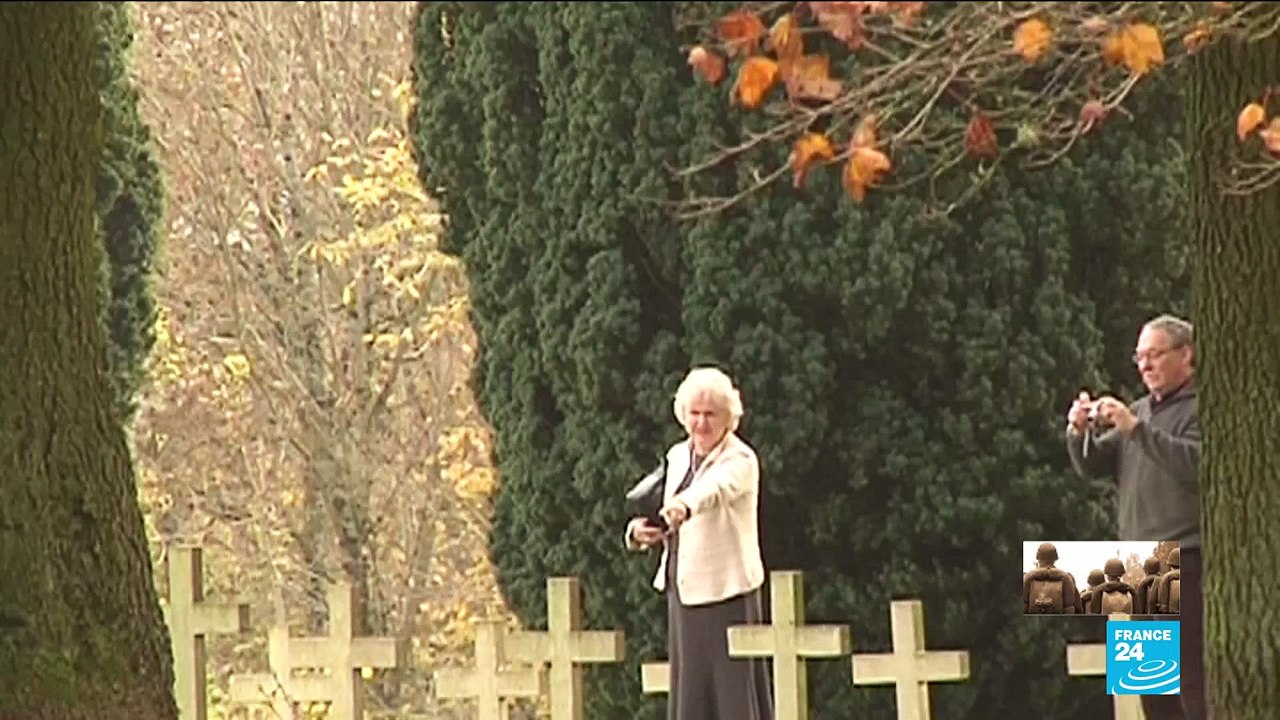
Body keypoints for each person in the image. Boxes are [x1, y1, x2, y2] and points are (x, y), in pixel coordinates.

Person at [1065, 314, 1203, 720]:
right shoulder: (1140, 409)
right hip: (1139, 564)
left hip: (1187, 556)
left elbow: (1195, 465)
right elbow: (1093, 466)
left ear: (1185, 354)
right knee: (1150, 691)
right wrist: (1078, 432)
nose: (1145, 366)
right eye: (1139, 357)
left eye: (1154, 355)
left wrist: (1136, 429)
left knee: (1193, 686)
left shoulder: (1202, 407)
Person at [625, 366, 773, 720]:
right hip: (684, 594)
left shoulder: (741, 459)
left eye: (711, 415)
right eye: (695, 413)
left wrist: (682, 507)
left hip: (727, 594)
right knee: (690, 695)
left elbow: (714, 490)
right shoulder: (677, 456)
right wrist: (638, 532)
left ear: (728, 418)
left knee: (734, 693)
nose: (701, 424)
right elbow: (660, 505)